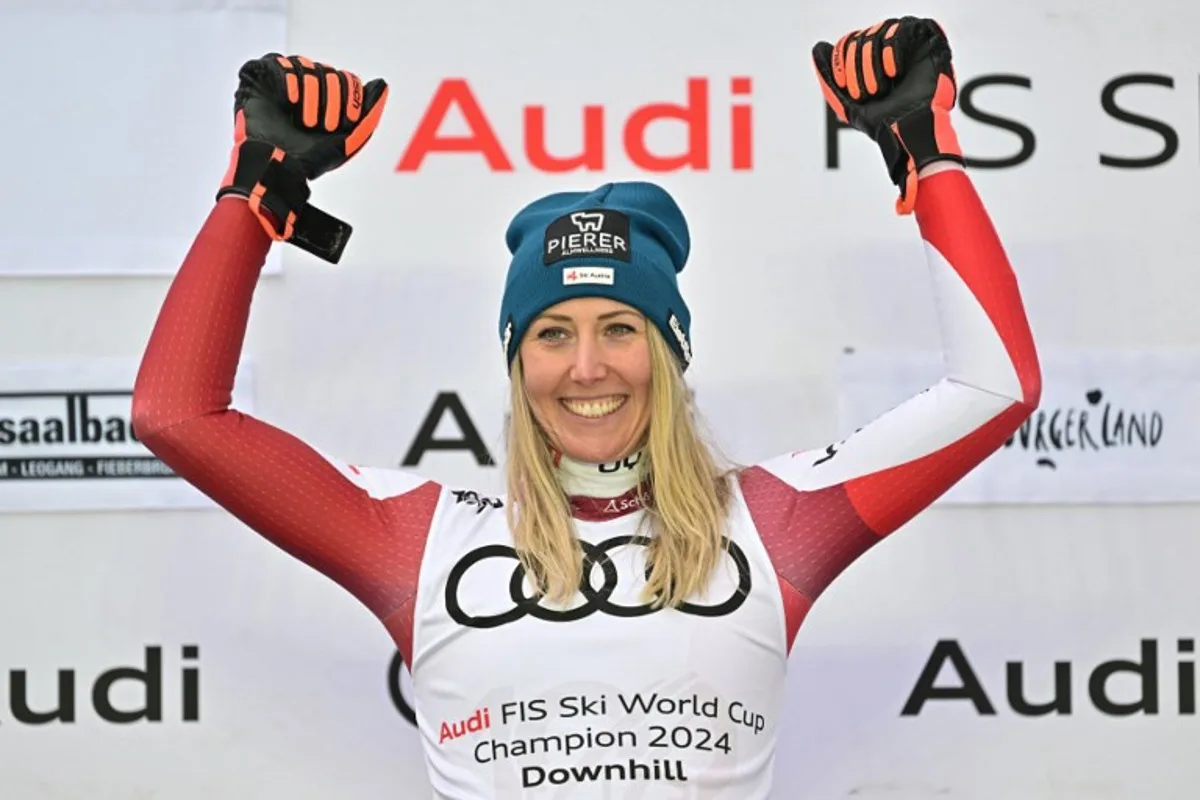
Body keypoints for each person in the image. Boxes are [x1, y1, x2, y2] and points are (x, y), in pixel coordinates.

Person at [132, 16, 1041, 800]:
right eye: (553, 334)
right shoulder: (418, 541)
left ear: (670, 351)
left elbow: (996, 390)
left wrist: (930, 154)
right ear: (517, 359)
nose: (588, 366)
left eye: (620, 327)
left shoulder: (777, 526)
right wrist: (254, 196)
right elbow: (177, 413)